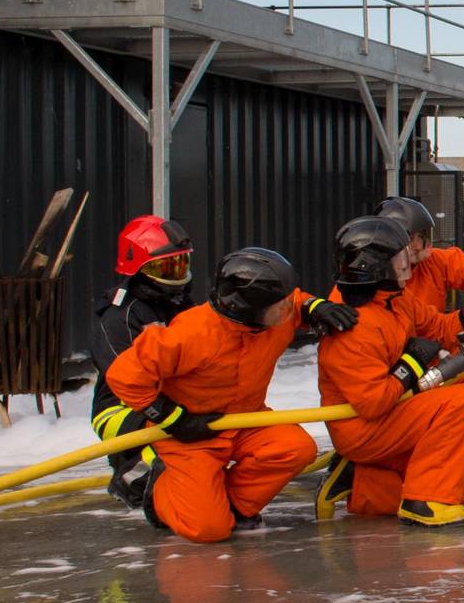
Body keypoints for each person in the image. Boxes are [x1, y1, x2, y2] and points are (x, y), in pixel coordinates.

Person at [94, 249, 358, 541]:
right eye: (280, 305)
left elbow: (296, 302)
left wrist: (314, 307)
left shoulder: (271, 318)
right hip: (193, 435)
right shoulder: (191, 334)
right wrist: (173, 419)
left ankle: (232, 506)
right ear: (248, 309)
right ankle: (157, 493)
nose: (289, 309)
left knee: (295, 448)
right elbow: (124, 376)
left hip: (245, 421)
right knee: (207, 530)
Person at [312, 214, 464, 528]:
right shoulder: (353, 327)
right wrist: (411, 363)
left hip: (393, 413)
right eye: (400, 257)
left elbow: (438, 326)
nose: (408, 263)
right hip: (362, 428)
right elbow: (372, 403)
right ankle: (425, 502)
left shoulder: (395, 300)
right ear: (375, 265)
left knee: (463, 490)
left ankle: (360, 481)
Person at [87, 215, 197, 509]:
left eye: (181, 264)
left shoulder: (180, 306)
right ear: (139, 270)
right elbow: (125, 381)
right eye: (167, 268)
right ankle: (131, 479)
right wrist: (169, 414)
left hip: (171, 401)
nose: (178, 275)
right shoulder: (120, 317)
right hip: (122, 409)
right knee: (174, 450)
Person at [374, 195, 464, 331]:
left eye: (422, 236)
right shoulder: (368, 282)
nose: (419, 245)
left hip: (430, 350)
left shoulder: (433, 261)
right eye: (411, 239)